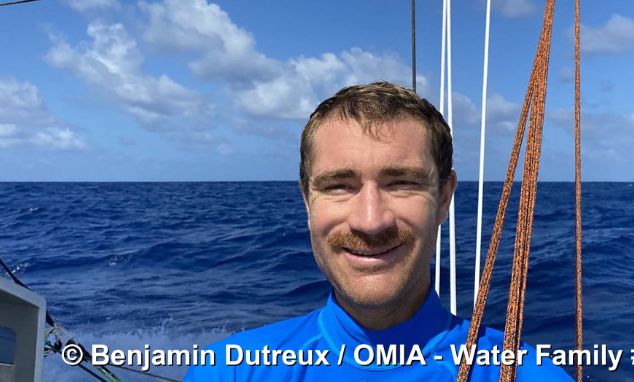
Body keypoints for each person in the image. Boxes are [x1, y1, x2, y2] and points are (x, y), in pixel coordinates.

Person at [185, 82, 572, 381]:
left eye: (401, 183)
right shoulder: (228, 372)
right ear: (307, 202)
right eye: (339, 186)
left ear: (443, 198)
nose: (370, 221)